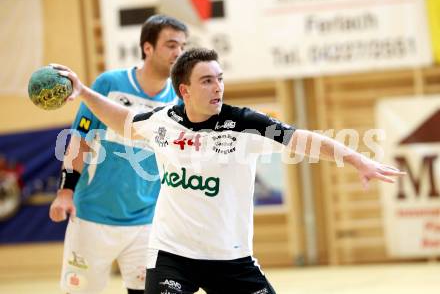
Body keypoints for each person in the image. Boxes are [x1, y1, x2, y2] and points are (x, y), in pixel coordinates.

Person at [52, 47, 405, 294]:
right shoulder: (162, 122)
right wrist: (82, 91)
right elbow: (124, 120)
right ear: (184, 90)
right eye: (207, 80)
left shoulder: (245, 124)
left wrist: (357, 159)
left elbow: (303, 140)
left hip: (230, 257)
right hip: (172, 254)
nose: (217, 87)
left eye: (219, 78)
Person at [48, 15, 188, 294]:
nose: (179, 54)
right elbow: (80, 140)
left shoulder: (179, 100)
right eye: (171, 45)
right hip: (91, 217)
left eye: (183, 47)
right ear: (147, 48)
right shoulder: (109, 84)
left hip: (146, 222)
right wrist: (65, 192)